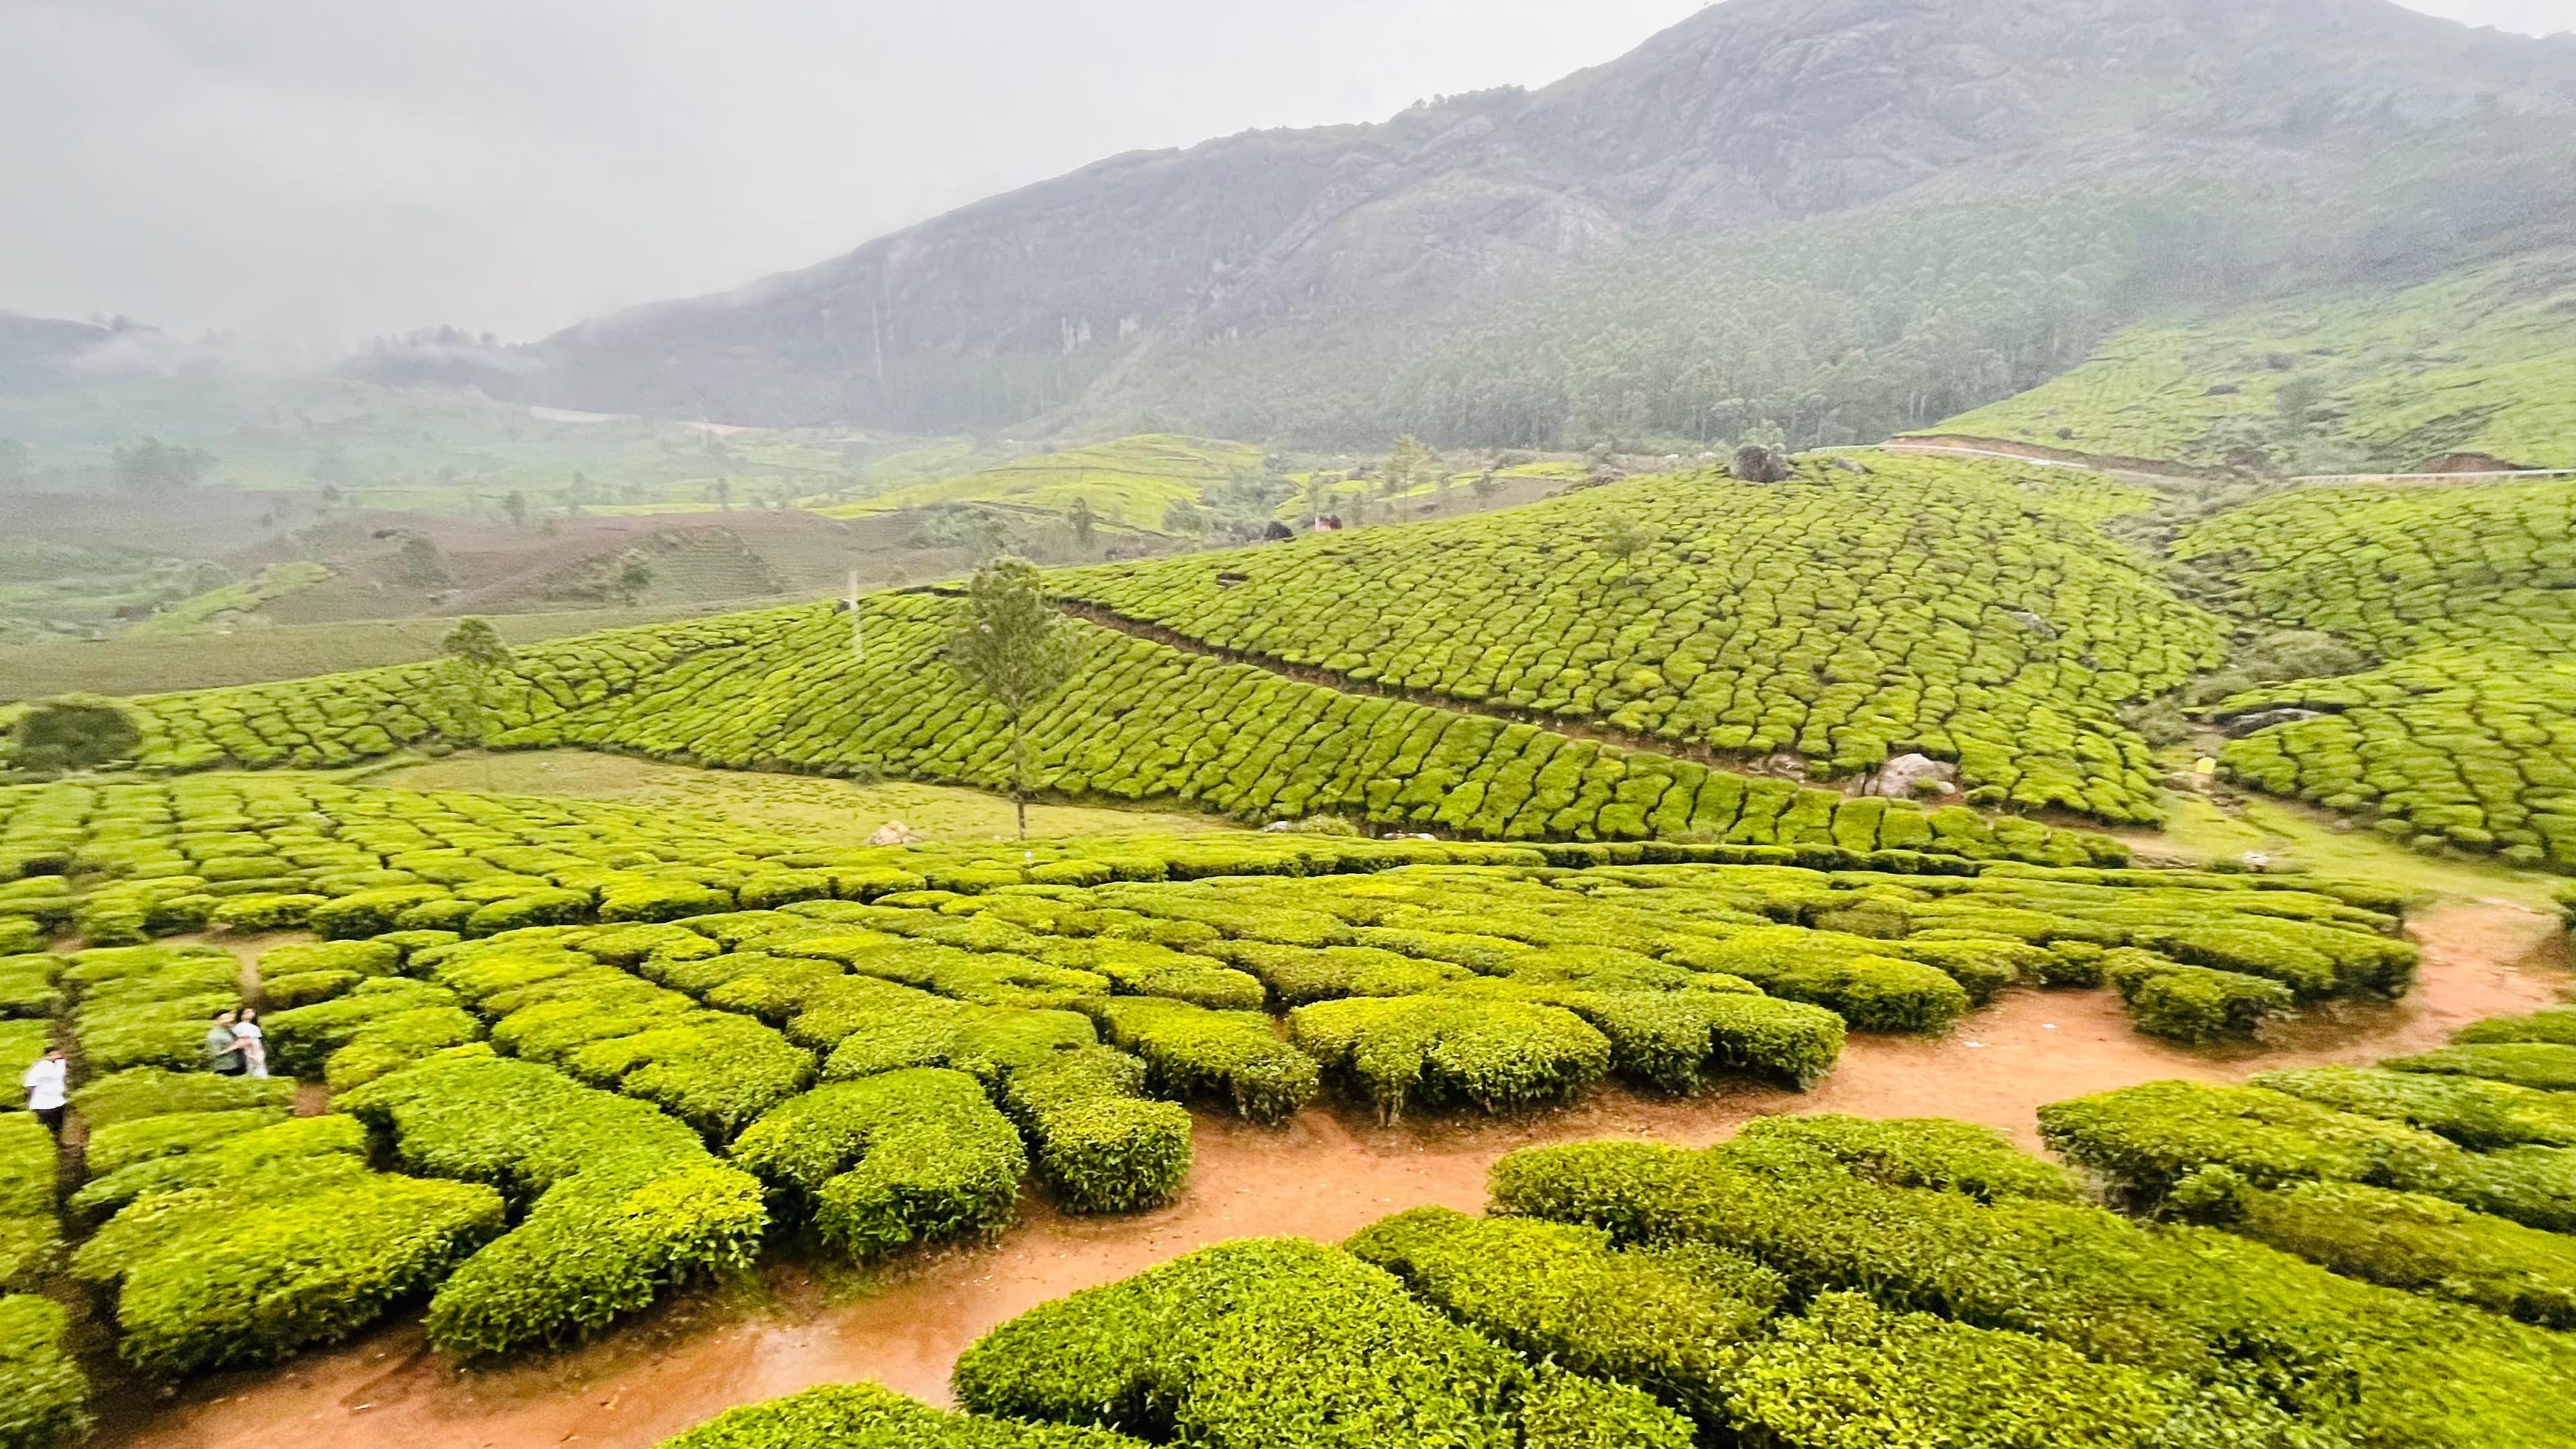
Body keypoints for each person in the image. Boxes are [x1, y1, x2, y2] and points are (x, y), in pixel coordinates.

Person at [19, 1046, 66, 1136]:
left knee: (61, 1128)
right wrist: (27, 1101)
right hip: (43, 1105)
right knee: (49, 1129)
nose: (56, 1057)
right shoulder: (39, 1068)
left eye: (58, 1054)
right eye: (53, 1055)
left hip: (60, 1102)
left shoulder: (61, 1064)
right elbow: (30, 1085)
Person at [232, 1006, 269, 1081]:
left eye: (251, 1012)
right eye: (246, 1013)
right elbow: (247, 1040)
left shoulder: (252, 1026)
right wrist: (254, 1052)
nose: (250, 1014)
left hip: (256, 1046)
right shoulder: (241, 1026)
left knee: (259, 1065)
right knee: (254, 1065)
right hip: (250, 1048)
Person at [204, 1010, 244, 1077]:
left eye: (230, 1018)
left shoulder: (230, 1030)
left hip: (237, 1064)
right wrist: (232, 1048)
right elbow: (214, 1054)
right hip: (224, 1067)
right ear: (217, 1021)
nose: (229, 1021)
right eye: (225, 1019)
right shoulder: (214, 1036)